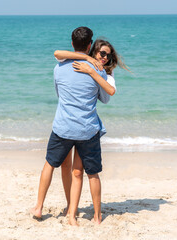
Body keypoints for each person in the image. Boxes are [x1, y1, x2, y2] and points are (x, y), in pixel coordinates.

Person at [30, 27, 110, 226]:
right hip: (86, 130)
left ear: (72, 43)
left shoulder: (59, 68)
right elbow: (104, 98)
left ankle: (39, 207)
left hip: (63, 127)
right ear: (90, 45)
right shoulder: (98, 70)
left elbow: (59, 92)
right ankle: (74, 214)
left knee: (50, 164)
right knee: (80, 172)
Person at [53, 39, 128, 225]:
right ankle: (72, 212)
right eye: (102, 53)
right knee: (76, 172)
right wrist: (84, 59)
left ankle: (97, 215)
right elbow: (58, 54)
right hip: (79, 127)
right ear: (93, 52)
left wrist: (93, 72)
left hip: (89, 129)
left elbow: (109, 92)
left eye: (108, 55)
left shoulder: (105, 74)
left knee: (92, 173)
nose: (104, 57)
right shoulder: (82, 64)